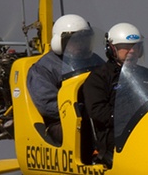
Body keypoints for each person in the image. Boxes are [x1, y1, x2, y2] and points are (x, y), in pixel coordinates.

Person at [81, 22, 148, 166]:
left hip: (147, 133)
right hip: (115, 137)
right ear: (111, 49)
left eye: (136, 47)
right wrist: (130, 116)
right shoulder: (99, 77)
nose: (132, 51)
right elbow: (98, 112)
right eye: (125, 47)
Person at [27, 14, 100, 144]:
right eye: (74, 41)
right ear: (59, 42)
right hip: (61, 122)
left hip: (94, 116)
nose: (80, 45)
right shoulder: (44, 68)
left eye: (83, 40)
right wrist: (80, 110)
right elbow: (47, 104)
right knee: (90, 128)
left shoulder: (95, 61)